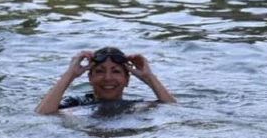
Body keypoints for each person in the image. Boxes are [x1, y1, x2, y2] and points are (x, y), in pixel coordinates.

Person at [35, 47, 177, 114]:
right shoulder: (75, 103)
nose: (107, 78)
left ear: (127, 80)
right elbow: (42, 115)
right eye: (100, 71)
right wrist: (70, 75)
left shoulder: (135, 107)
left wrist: (149, 77)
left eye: (115, 71)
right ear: (90, 78)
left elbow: (173, 111)